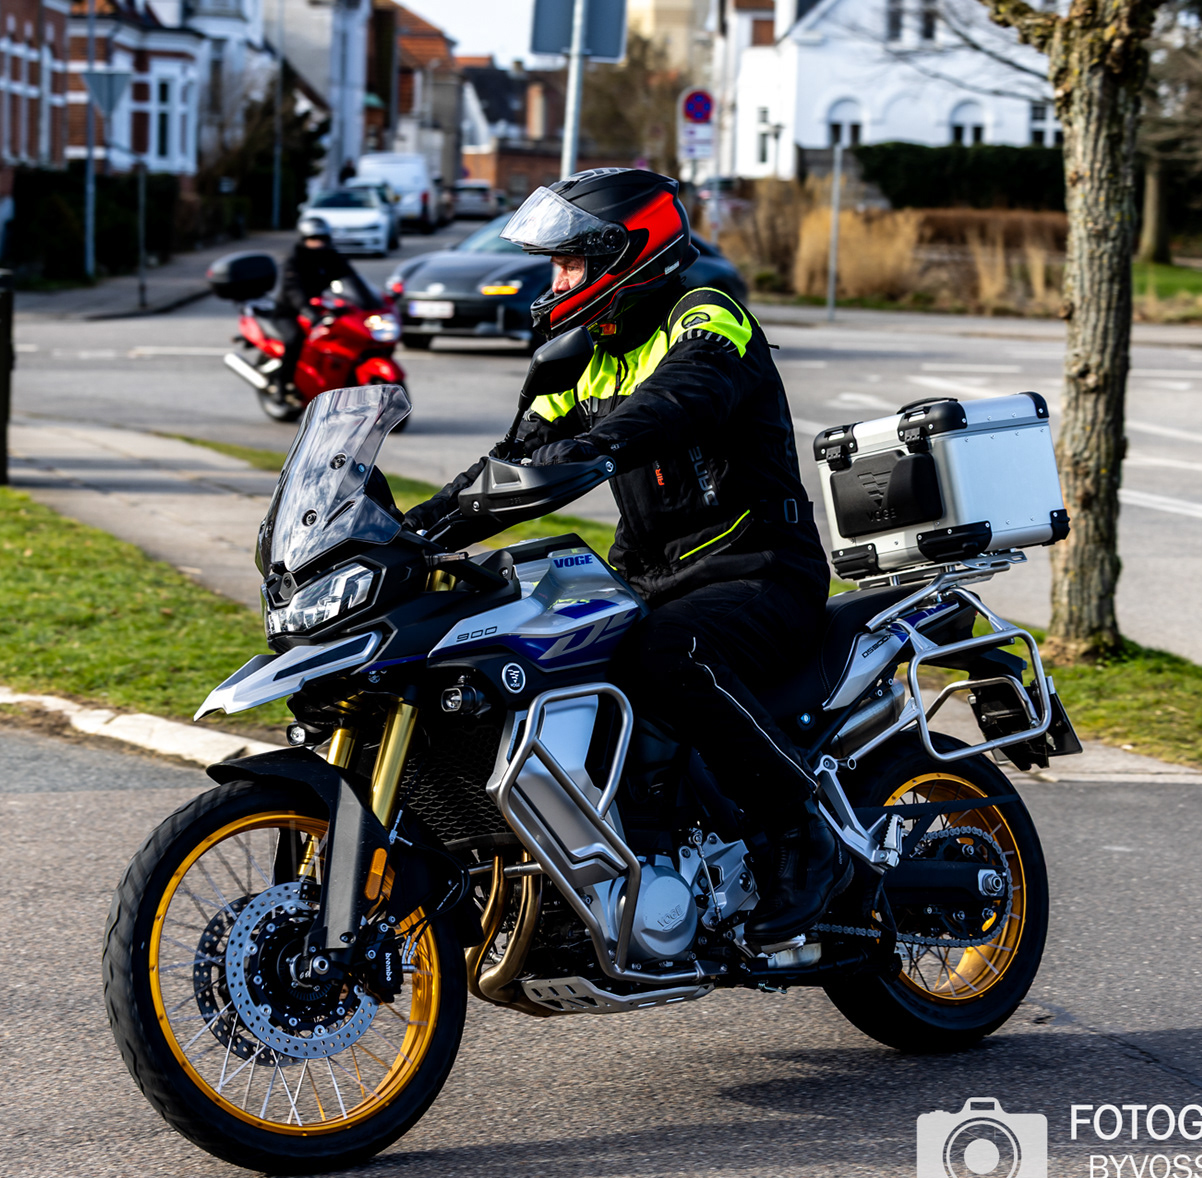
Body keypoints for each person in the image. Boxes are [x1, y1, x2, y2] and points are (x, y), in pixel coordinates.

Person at [402, 168, 848, 948]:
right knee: (524, 643)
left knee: (669, 650)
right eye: (555, 264)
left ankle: (802, 833)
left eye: (570, 263)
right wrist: (410, 535)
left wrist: (592, 449)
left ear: (627, 252)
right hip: (651, 576)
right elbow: (511, 465)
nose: (555, 281)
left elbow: (679, 399)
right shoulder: (584, 356)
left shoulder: (707, 316)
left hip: (758, 569)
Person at [267, 216, 376, 395]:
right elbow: (294, 291)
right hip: (290, 312)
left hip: (320, 308)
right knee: (294, 340)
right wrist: (308, 312)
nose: (317, 243)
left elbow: (351, 278)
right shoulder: (293, 259)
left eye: (322, 239)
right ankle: (282, 382)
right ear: (303, 239)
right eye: (312, 239)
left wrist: (368, 302)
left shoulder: (332, 256)